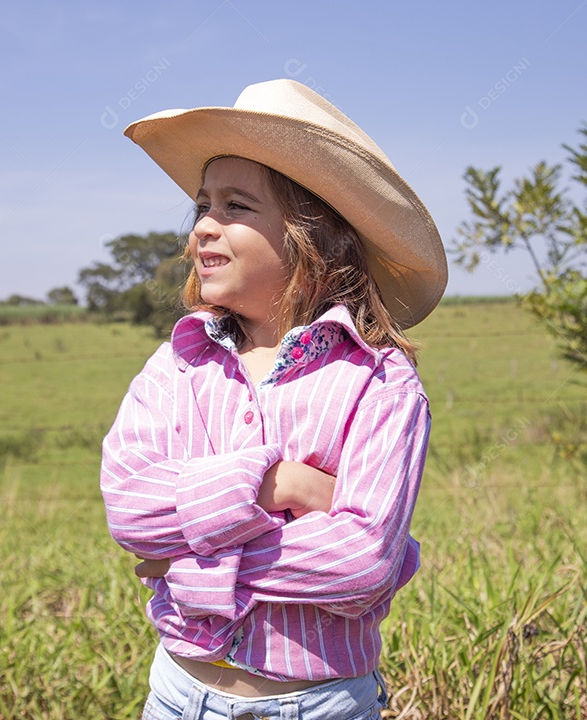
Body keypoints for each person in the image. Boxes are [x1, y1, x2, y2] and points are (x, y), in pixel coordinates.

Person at [100, 79, 447, 720]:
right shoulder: (175, 364)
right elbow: (128, 512)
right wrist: (276, 485)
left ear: (313, 236)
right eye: (203, 205)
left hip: (315, 704)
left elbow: (361, 563)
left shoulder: (379, 381)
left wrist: (186, 564)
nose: (203, 225)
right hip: (178, 692)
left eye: (236, 206)